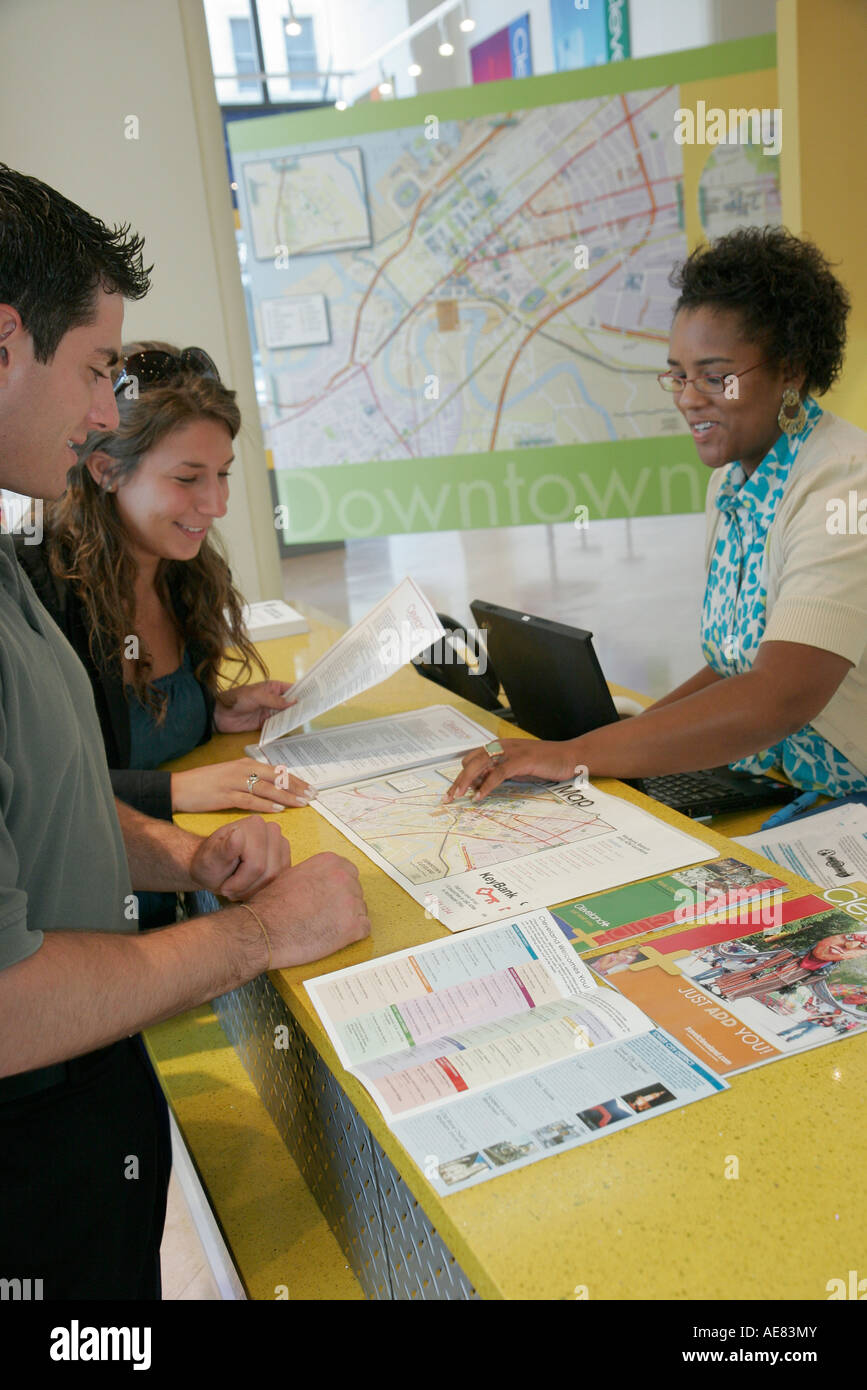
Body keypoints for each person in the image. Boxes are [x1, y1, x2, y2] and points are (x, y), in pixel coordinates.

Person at [0, 163, 370, 1299]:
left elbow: (46, 806)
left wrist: (181, 856)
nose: (105, 413)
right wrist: (258, 936)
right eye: (98, 368)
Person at [447, 227, 867, 804]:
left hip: (843, 811)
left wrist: (575, 754)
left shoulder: (846, 485)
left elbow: (778, 696)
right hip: (765, 782)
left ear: (791, 370)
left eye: (716, 375)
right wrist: (606, 743)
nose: (688, 397)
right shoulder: (732, 483)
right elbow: (733, 670)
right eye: (679, 373)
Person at [15, 344, 315, 929]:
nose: (216, 504)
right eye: (187, 478)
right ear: (106, 472)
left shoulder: (186, 567)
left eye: (223, 474)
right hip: (92, 929)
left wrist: (207, 710)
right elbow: (50, 792)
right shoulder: (40, 588)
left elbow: (132, 729)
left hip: (179, 900)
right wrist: (178, 789)